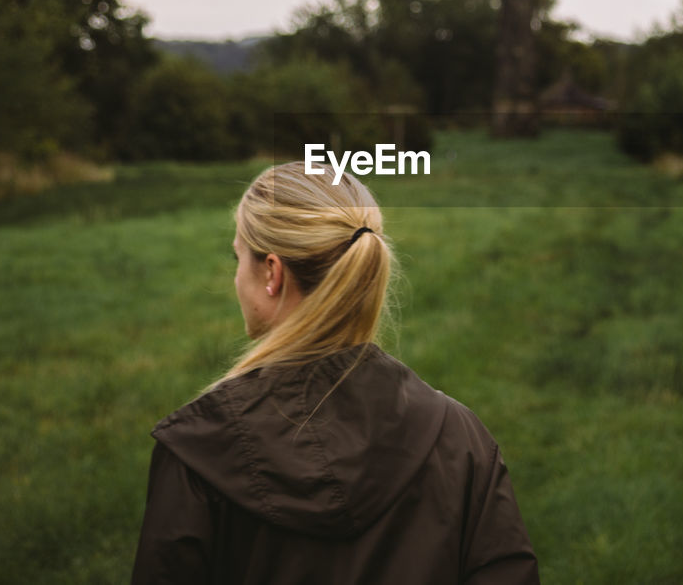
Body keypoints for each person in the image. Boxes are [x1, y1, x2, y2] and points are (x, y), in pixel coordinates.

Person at [130, 161, 540, 584]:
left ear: (272, 272)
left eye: (238, 257)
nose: (235, 277)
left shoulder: (199, 449)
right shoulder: (460, 437)